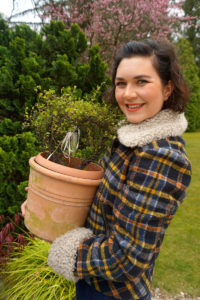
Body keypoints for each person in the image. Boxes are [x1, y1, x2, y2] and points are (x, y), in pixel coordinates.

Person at [21, 39, 192, 300]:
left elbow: (126, 257)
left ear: (168, 89)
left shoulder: (161, 156)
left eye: (141, 82)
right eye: (121, 83)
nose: (128, 93)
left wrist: (63, 250)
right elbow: (101, 205)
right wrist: (47, 207)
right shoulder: (131, 140)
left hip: (115, 293)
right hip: (95, 284)